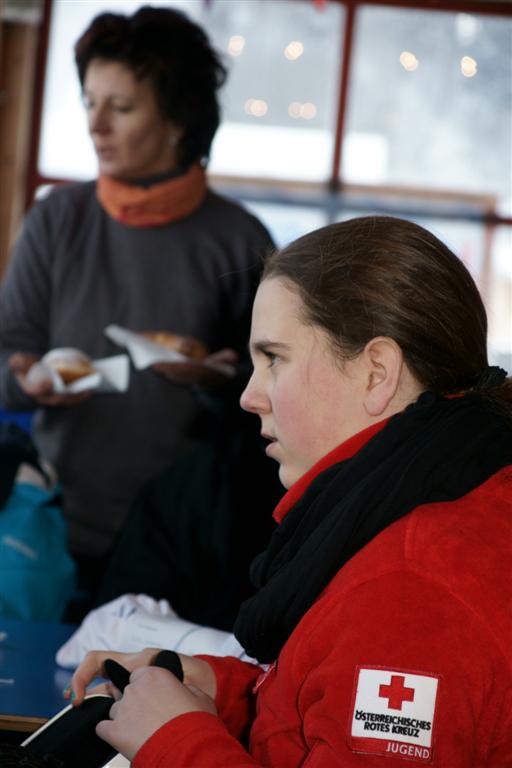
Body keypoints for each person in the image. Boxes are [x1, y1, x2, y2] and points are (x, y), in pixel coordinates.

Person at [69, 216, 512, 767]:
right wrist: (219, 688)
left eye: (274, 358)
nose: (249, 396)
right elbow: (330, 712)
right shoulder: (439, 497)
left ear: (376, 372)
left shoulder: (411, 587)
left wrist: (176, 740)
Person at [0, 6, 273, 592]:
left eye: (120, 108)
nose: (96, 126)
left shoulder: (239, 240)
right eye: (89, 103)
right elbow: (7, 356)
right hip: (47, 523)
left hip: (186, 540)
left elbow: (276, 392)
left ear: (177, 120)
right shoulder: (56, 219)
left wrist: (220, 381)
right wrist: (26, 380)